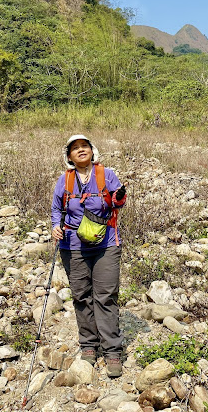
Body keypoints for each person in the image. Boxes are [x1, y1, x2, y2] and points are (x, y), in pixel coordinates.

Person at [51, 134, 127, 377]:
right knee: (81, 296)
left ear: (93, 151)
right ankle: (88, 346)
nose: (81, 150)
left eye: (85, 146)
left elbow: (119, 202)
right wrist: (55, 226)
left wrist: (118, 198)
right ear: (69, 156)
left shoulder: (107, 174)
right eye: (75, 148)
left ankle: (112, 351)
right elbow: (56, 208)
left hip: (106, 243)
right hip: (72, 245)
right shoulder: (64, 180)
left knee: (105, 296)